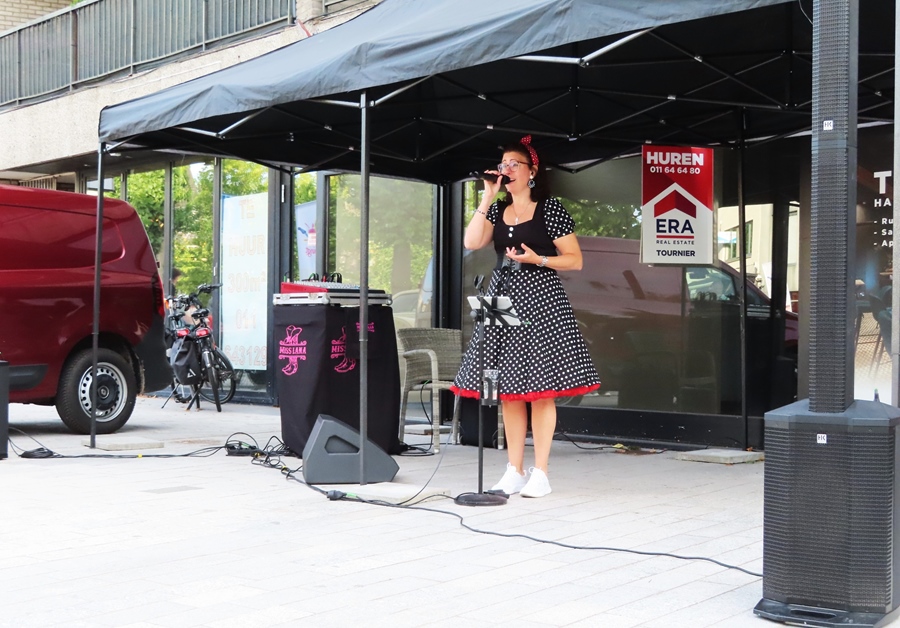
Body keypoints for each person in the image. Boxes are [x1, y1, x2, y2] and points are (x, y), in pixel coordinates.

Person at [451, 136, 600, 498]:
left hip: (541, 297)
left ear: (532, 171)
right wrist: (487, 196)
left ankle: (541, 473)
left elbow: (575, 260)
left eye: (513, 164)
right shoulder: (498, 208)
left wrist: (538, 259)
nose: (506, 170)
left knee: (540, 389)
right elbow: (472, 242)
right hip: (501, 294)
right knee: (507, 389)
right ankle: (514, 469)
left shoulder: (550, 208)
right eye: (503, 164)